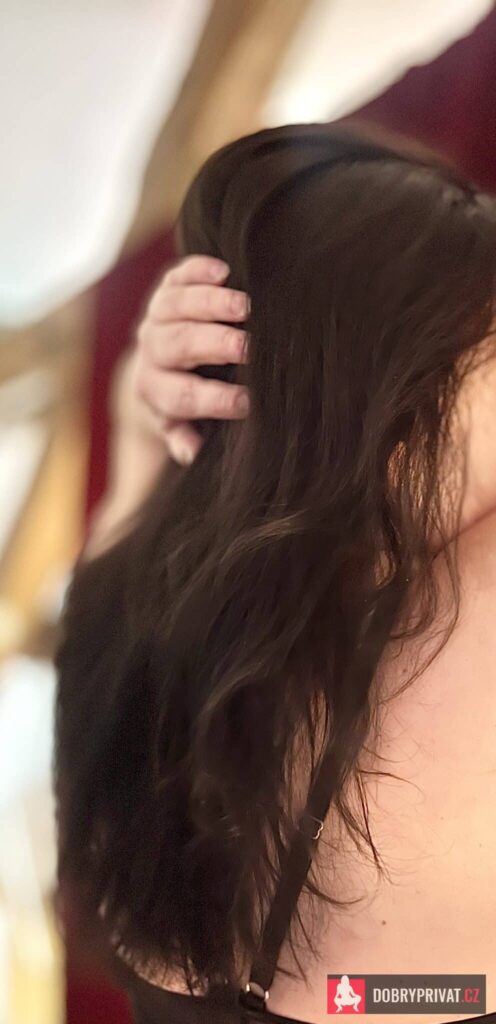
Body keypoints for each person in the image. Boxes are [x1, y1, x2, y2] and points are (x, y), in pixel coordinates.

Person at [54, 124, 496, 1024]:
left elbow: (147, 477)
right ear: (400, 408)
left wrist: (145, 398)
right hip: (402, 999)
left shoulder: (117, 631)